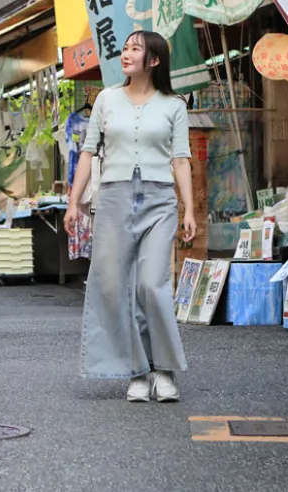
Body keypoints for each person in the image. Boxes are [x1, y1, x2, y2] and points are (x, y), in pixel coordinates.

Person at [64, 30, 195, 402]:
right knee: (115, 286)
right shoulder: (106, 100)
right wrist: (74, 202)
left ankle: (164, 370)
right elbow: (88, 153)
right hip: (114, 200)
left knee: (150, 285)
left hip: (158, 202)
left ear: (153, 60)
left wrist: (188, 208)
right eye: (124, 48)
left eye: (134, 49)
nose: (126, 54)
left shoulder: (174, 106)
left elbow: (180, 159)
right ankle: (137, 371)